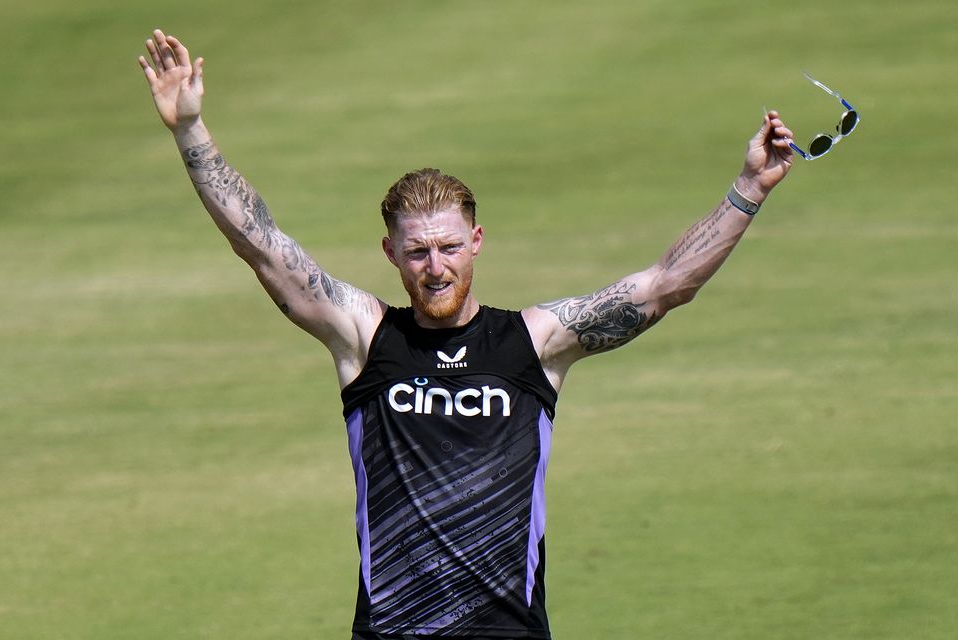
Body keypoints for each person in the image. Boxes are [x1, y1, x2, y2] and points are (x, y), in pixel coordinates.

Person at [138, 28, 794, 640]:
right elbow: (263, 247)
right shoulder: (367, 338)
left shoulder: (532, 343)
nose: (435, 266)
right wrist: (192, 129)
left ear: (475, 243)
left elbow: (665, 285)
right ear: (391, 253)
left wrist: (749, 187)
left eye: (449, 248)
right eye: (418, 252)